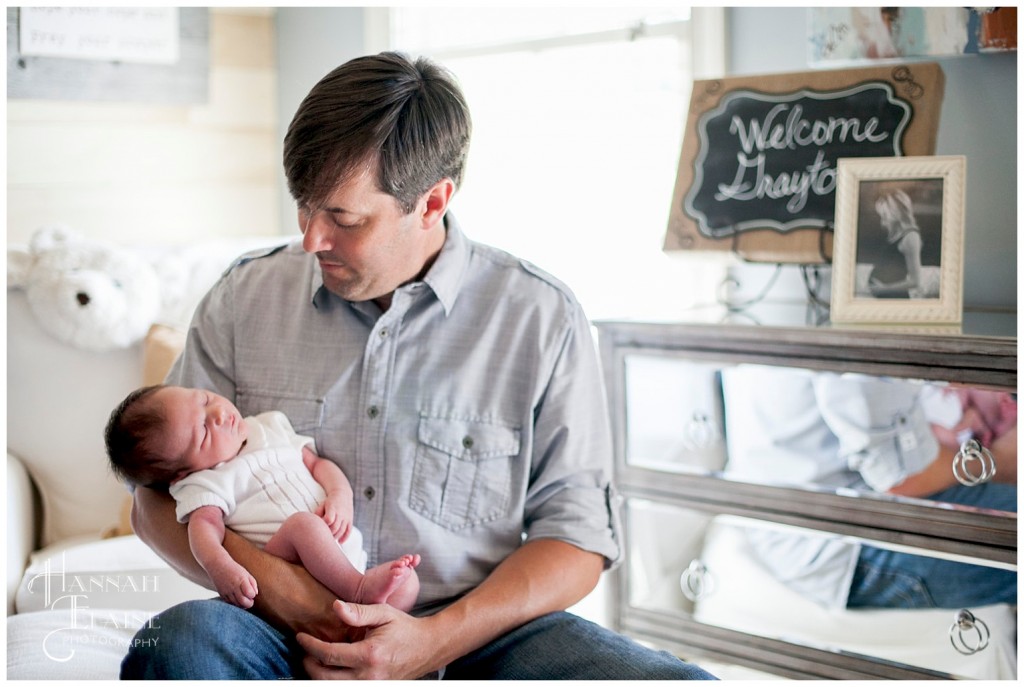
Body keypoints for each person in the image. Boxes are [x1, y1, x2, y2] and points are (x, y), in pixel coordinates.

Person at [119, 51, 716, 680]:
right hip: (280, 633)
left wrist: (432, 641)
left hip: (475, 639)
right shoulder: (244, 299)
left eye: (343, 219)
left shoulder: (541, 318)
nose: (311, 241)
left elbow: (578, 542)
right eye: (303, 206)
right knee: (180, 644)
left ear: (432, 202)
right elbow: (154, 501)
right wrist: (292, 597)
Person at [721, 365, 1016, 611]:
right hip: (839, 538)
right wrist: (1002, 459)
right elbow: (901, 477)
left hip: (793, 512)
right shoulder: (857, 314)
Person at [104, 384, 421, 612]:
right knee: (303, 526)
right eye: (202, 431)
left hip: (351, 558)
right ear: (180, 474)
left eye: (204, 399)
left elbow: (317, 464)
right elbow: (203, 530)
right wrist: (220, 566)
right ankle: (358, 591)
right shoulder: (204, 482)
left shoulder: (269, 426)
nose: (217, 414)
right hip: (288, 565)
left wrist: (340, 494)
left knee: (409, 585)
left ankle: (373, 627)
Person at [867, 187, 941, 299]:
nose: (883, 221)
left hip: (895, 298)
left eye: (885, 215)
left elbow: (915, 282)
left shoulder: (911, 237)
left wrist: (884, 288)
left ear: (894, 213)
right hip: (884, 297)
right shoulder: (896, 235)